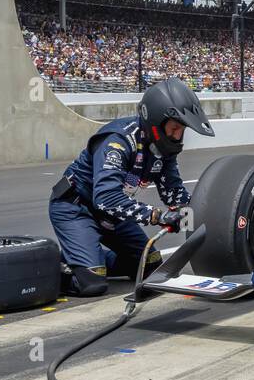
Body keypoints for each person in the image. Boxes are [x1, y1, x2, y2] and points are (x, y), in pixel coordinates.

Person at [49, 77, 214, 296]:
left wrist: (198, 215)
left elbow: (173, 192)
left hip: (111, 215)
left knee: (151, 265)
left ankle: (87, 257)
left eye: (181, 130)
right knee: (92, 284)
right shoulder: (117, 141)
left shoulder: (163, 150)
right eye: (174, 128)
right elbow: (106, 198)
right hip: (77, 207)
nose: (177, 136)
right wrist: (159, 217)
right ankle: (55, 262)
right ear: (156, 122)